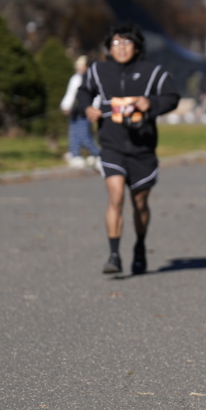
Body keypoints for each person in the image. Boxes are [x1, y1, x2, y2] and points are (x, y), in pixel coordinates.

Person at [75, 23, 180, 275]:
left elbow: (172, 97)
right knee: (116, 196)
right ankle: (114, 255)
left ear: (137, 47)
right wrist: (87, 108)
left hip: (142, 148)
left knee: (140, 203)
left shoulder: (152, 72)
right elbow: (83, 92)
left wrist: (150, 103)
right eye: (116, 43)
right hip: (111, 145)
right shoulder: (98, 71)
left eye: (127, 42)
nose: (121, 48)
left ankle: (140, 246)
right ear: (108, 48)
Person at [60, 55, 101, 168]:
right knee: (74, 134)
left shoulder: (92, 78)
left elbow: (95, 96)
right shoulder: (75, 78)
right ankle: (75, 154)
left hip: (86, 111)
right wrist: (65, 106)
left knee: (84, 135)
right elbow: (70, 94)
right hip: (75, 111)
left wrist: (94, 108)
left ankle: (97, 153)